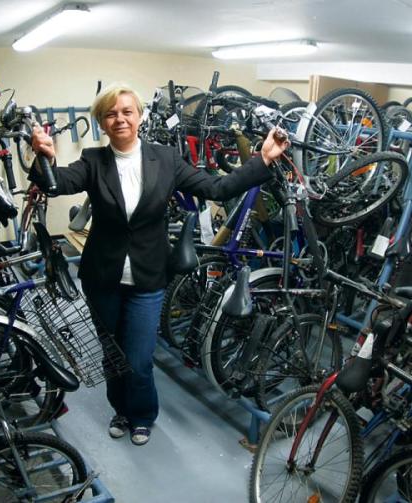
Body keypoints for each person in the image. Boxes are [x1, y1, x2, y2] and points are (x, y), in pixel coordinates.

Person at [30, 83, 289, 446]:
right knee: (112, 356)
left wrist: (262, 159)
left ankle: (142, 415)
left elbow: (217, 189)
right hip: (102, 277)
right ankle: (121, 410)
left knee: (138, 359)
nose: (120, 119)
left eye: (127, 111)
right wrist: (44, 157)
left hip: (148, 278)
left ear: (139, 116)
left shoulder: (165, 159)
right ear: (102, 123)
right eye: (110, 114)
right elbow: (56, 184)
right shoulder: (93, 160)